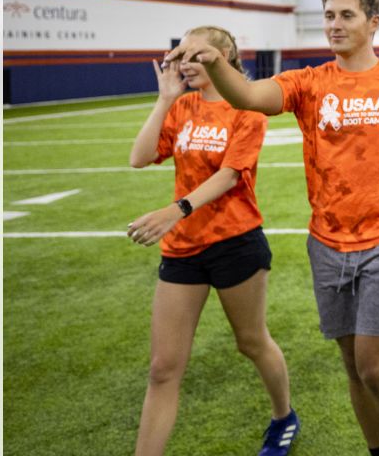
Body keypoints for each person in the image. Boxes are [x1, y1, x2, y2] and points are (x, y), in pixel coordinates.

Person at [163, 0, 379, 456]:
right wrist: (216, 62)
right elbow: (248, 96)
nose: (334, 25)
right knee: (351, 365)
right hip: (327, 244)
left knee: (375, 368)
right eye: (328, 16)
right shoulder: (308, 82)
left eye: (346, 16)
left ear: (373, 23)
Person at [128, 25, 299, 456]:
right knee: (163, 369)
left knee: (251, 342)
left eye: (196, 54)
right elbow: (140, 157)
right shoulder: (182, 105)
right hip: (183, 248)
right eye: (182, 55)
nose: (187, 62)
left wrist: (176, 210)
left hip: (235, 241)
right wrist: (164, 98)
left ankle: (284, 416)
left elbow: (229, 175)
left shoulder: (246, 107)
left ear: (222, 58)